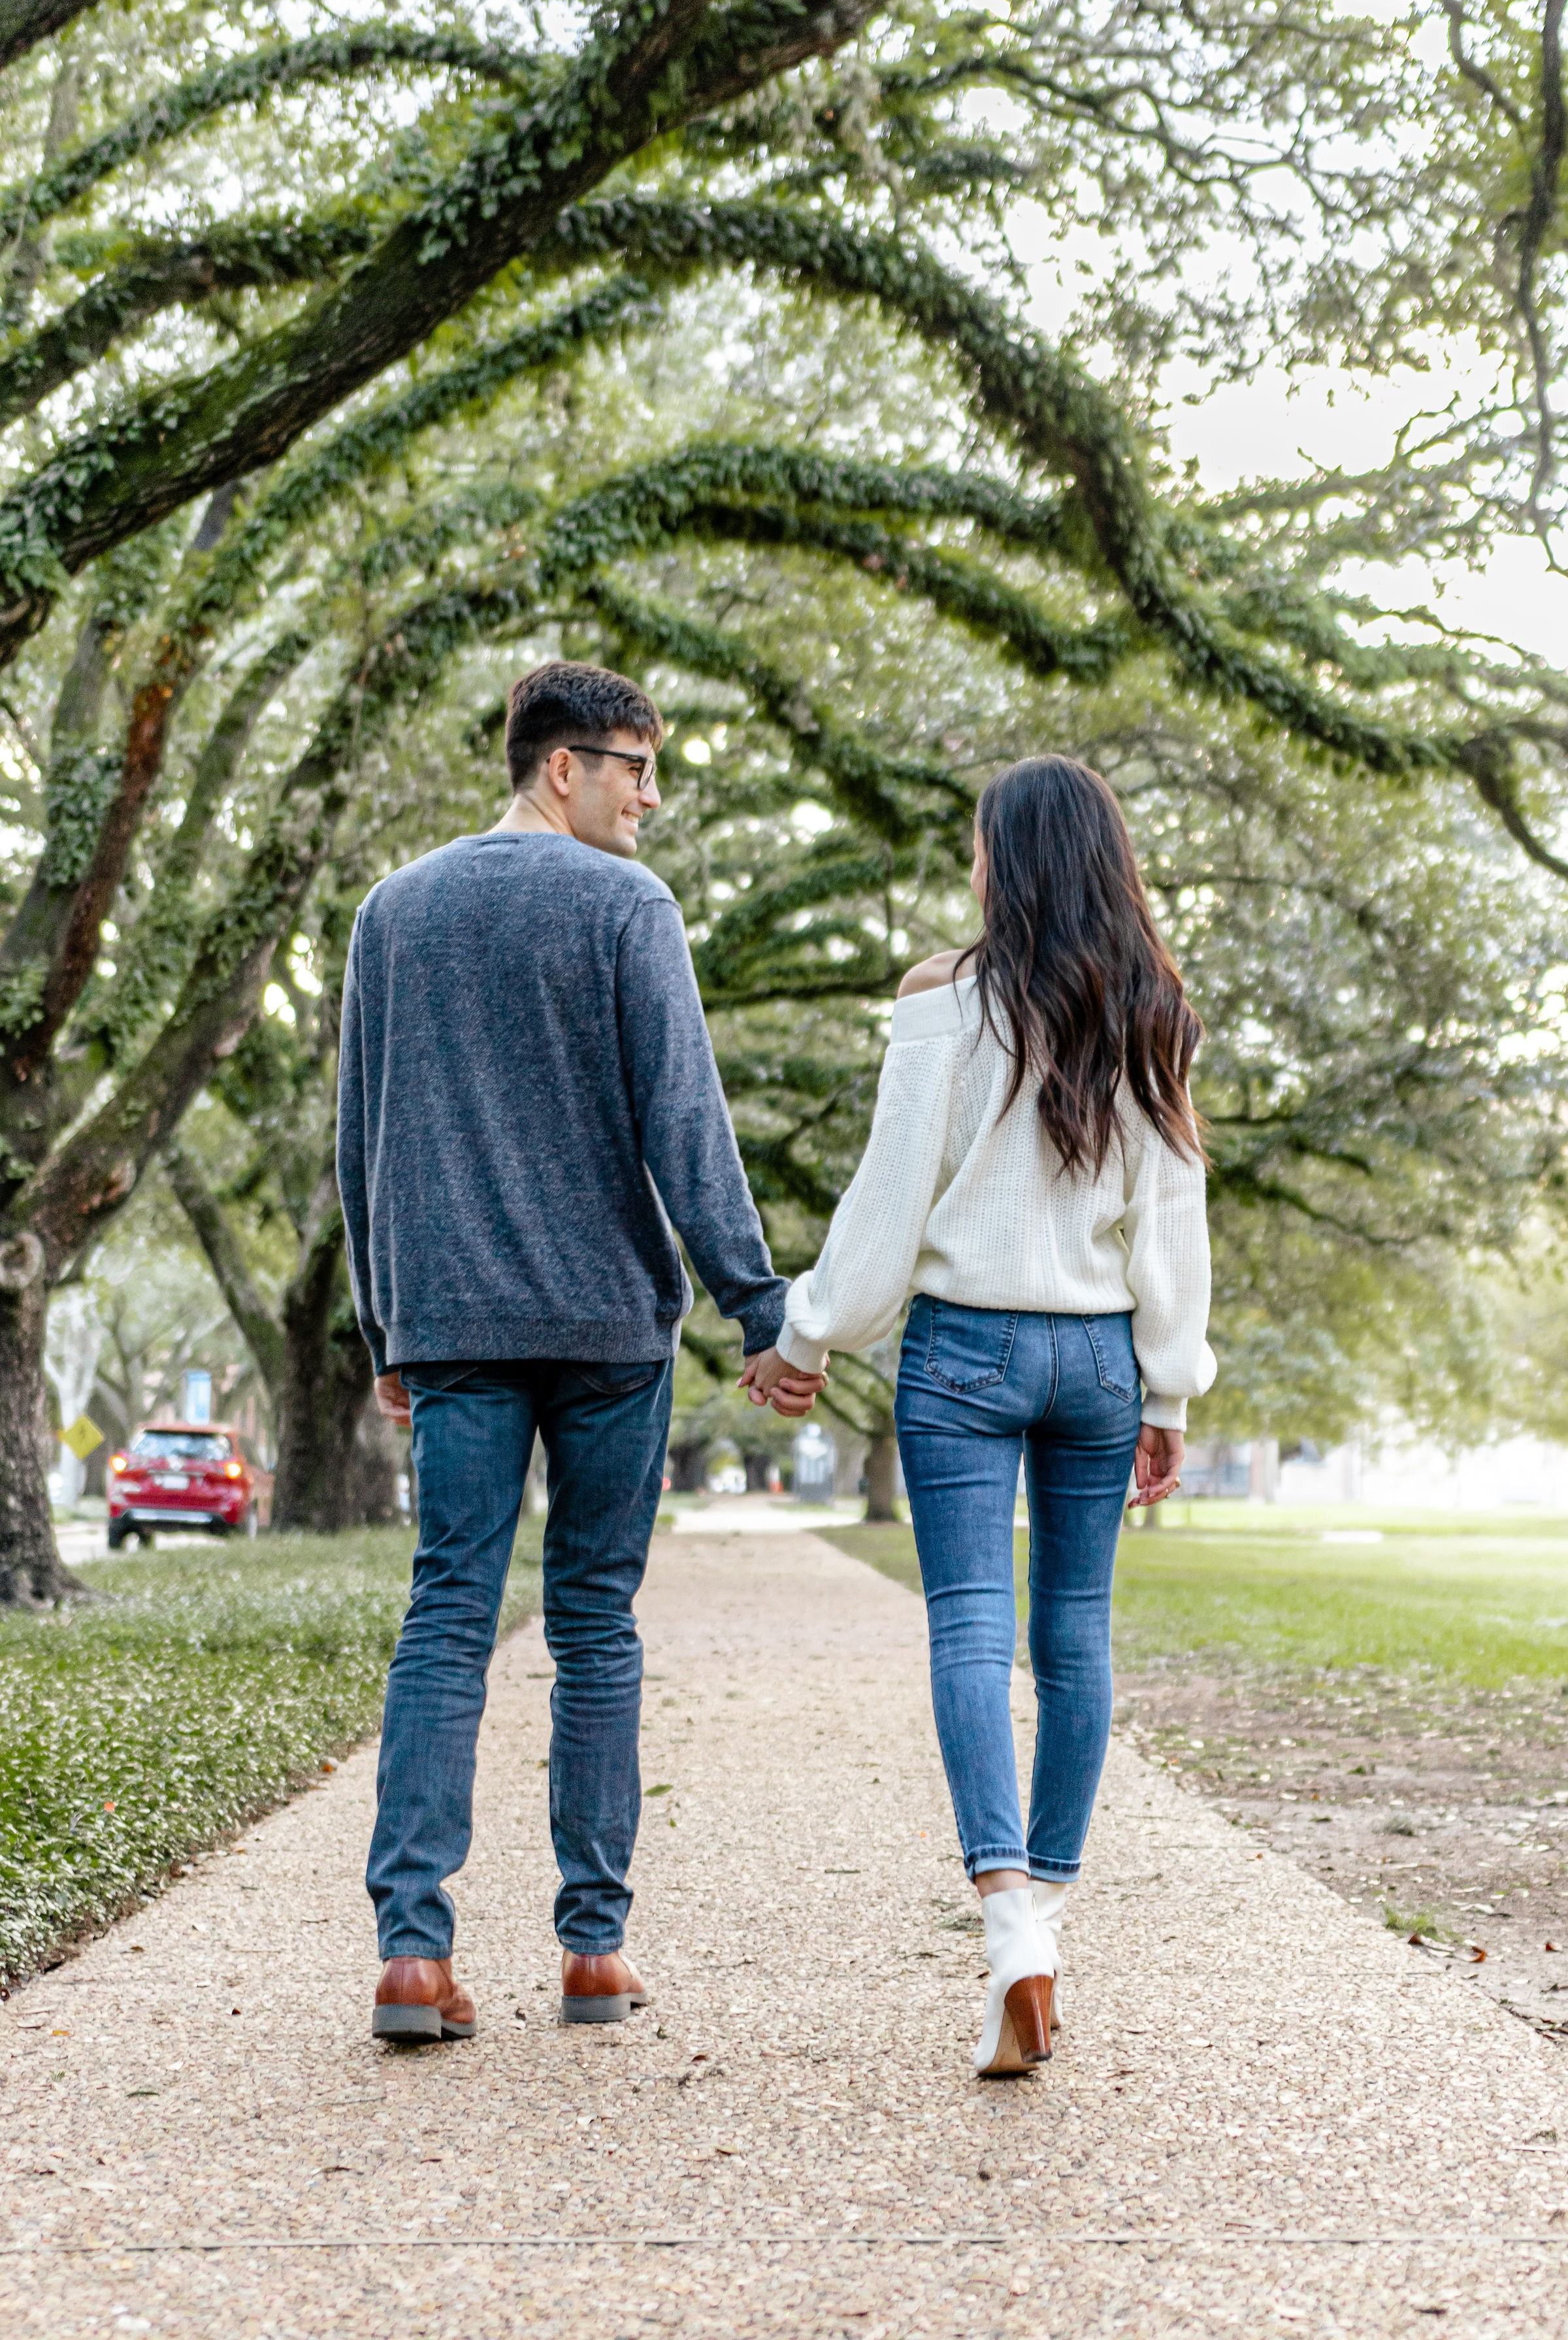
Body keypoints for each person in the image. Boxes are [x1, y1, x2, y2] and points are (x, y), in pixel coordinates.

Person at [339, 659, 823, 2045]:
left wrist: (392, 1324)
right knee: (595, 1626)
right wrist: (758, 1305)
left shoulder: (395, 913)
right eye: (638, 768)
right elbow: (688, 1124)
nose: (652, 798)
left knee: (447, 1618)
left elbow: (359, 1139)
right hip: (612, 1326)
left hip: (459, 1326)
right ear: (565, 766)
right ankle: (595, 1951)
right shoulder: (627, 908)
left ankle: (413, 1956)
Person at [743, 755, 1213, 2076]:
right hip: (1103, 1353)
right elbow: (1174, 1218)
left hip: (962, 1351)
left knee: (969, 1624)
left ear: (1004, 859)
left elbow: (889, 1201)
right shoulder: (1154, 1007)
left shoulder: (944, 1000)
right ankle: (1045, 1914)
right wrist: (1169, 1386)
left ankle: (1010, 1915)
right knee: (1075, 1635)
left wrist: (806, 1332)